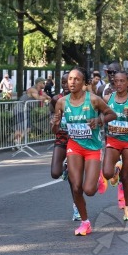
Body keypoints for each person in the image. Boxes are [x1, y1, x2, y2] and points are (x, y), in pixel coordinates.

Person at [51, 67, 117, 236]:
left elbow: (112, 115)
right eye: (70, 79)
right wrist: (55, 123)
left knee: (89, 190)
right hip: (74, 147)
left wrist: (98, 119)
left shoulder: (94, 100)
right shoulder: (62, 102)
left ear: (84, 83)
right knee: (76, 186)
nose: (72, 82)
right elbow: (55, 130)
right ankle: (85, 222)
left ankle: (100, 176)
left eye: (76, 79)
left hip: (92, 148)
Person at [102, 71, 128, 221]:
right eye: (115, 81)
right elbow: (100, 115)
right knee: (107, 173)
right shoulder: (107, 99)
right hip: (113, 140)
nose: (118, 84)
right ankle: (115, 170)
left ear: (127, 83)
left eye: (121, 81)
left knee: (125, 177)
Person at [49, 73, 80, 221]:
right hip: (61, 139)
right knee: (55, 173)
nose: (66, 85)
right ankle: (65, 168)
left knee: (74, 179)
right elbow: (53, 129)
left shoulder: (82, 100)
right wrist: (55, 123)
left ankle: (77, 207)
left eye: (68, 82)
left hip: (77, 141)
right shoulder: (56, 100)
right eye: (63, 82)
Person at [14, 77, 51, 145]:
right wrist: (46, 98)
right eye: (43, 83)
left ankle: (17, 142)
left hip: (25, 110)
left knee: (25, 127)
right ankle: (17, 142)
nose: (45, 84)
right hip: (20, 109)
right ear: (39, 83)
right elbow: (38, 98)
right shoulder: (32, 90)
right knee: (23, 127)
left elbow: (47, 97)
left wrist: (47, 97)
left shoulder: (40, 91)